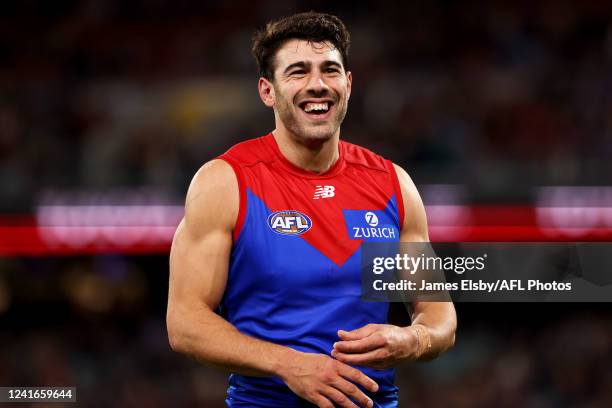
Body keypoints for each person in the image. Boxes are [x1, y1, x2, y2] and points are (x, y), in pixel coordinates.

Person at [167, 11, 456, 408]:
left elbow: (440, 317)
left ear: (348, 84)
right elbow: (184, 324)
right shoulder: (224, 182)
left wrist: (412, 338)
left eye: (330, 71)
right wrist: (288, 364)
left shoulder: (394, 184)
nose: (317, 85)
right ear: (268, 91)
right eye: (298, 72)